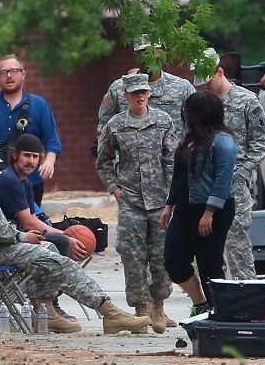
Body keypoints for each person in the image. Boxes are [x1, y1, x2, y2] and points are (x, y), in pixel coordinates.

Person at [0, 136, 152, 334]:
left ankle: (45, 312)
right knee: (59, 262)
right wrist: (24, 237)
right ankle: (109, 312)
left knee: (50, 248)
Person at [96, 73, 178, 334]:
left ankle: (158, 306)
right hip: (130, 200)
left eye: (144, 91)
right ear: (126, 96)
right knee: (132, 256)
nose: (140, 96)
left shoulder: (163, 121)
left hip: (159, 200)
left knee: (161, 256)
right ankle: (140, 309)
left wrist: (172, 196)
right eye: (135, 93)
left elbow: (172, 159)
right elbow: (104, 160)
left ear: (149, 94)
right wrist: (114, 189)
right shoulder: (116, 125)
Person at [0, 133, 85, 321]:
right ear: (15, 155)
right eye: (26, 155)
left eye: (35, 156)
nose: (31, 161)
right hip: (0, 242)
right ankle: (47, 305)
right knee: (61, 242)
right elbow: (28, 223)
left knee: (60, 240)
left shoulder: (25, 181)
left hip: (14, 236)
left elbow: (32, 217)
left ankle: (46, 303)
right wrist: (66, 234)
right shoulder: (9, 179)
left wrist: (64, 233)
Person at [191, 48, 265, 280]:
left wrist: (241, 174)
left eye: (207, 81)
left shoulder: (246, 101)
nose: (204, 87)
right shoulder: (201, 104)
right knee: (210, 252)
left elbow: (262, 143)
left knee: (237, 248)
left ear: (220, 72)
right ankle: (218, 301)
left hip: (235, 186)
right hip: (205, 186)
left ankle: (246, 299)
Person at [160, 91, 236, 316]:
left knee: (209, 265)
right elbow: (180, 176)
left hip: (212, 211)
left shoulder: (223, 141)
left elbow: (223, 180)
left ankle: (220, 313)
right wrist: (169, 205)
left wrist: (209, 212)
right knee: (173, 260)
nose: (186, 115)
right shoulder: (190, 139)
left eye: (189, 110)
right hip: (185, 209)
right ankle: (201, 302)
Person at [0, 53, 61, 206]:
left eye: (14, 71)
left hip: (30, 181)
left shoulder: (39, 105)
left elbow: (52, 142)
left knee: (30, 224)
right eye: (4, 72)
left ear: (23, 74)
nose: (9, 76)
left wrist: (49, 162)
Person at [97, 34, 196, 143]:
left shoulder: (182, 88)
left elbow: (195, 125)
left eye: (154, 51)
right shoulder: (119, 89)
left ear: (162, 53)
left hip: (171, 157)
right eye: (144, 51)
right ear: (136, 55)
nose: (150, 56)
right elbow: (104, 125)